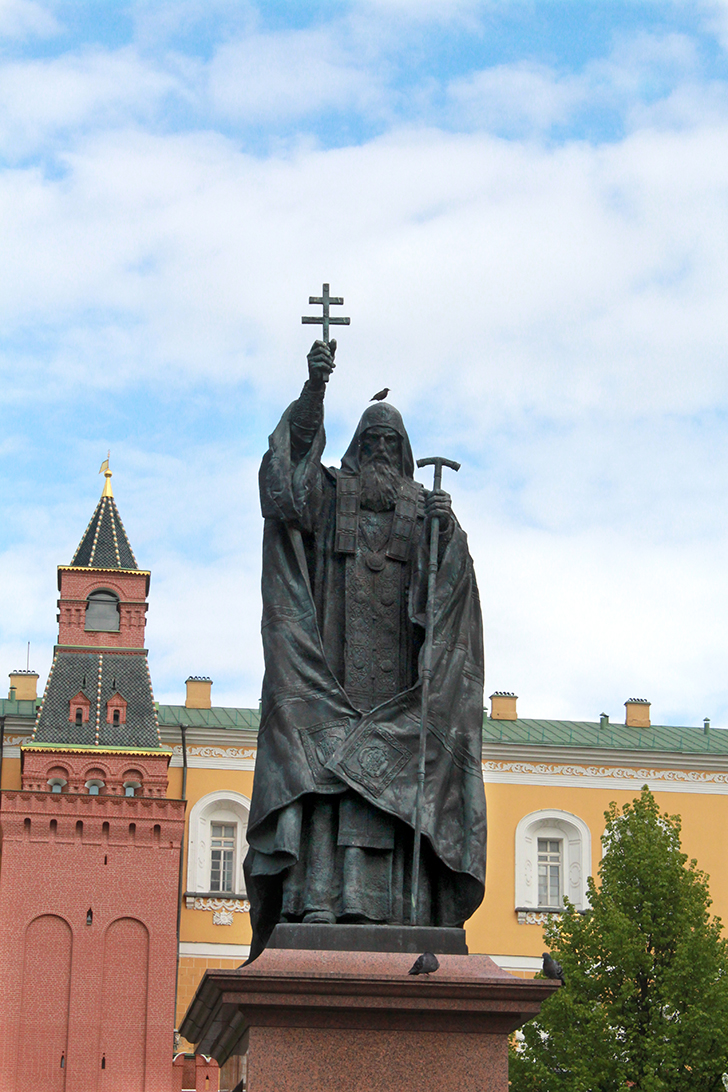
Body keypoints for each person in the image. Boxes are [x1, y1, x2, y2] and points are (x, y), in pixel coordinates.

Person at [243, 339, 486, 959]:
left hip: (402, 688)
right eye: (371, 442)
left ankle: (410, 908)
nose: (380, 453)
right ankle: (316, 900)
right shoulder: (331, 496)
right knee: (326, 781)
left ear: (404, 455)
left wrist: (445, 533)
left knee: (397, 786)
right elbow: (285, 489)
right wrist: (314, 391)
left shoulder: (422, 512)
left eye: (390, 445)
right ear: (356, 447)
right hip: (331, 678)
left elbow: (449, 598)